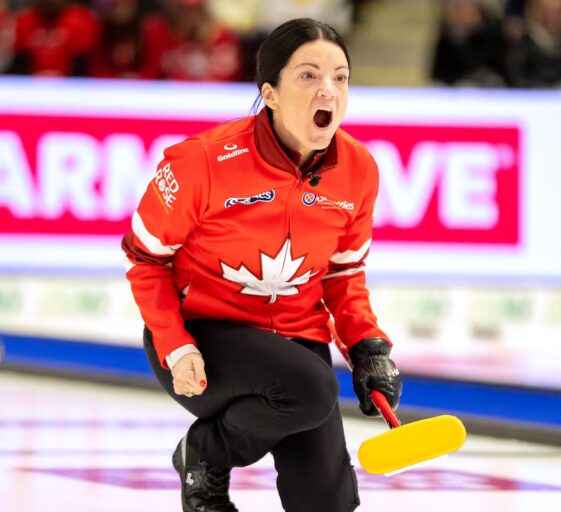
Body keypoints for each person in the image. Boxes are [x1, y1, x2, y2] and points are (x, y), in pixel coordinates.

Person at [121, 18, 402, 512]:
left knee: (326, 502)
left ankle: (217, 454)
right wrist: (175, 344)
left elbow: (343, 274)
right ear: (269, 93)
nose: (328, 91)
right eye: (309, 76)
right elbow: (146, 260)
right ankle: (204, 455)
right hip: (204, 341)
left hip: (295, 342)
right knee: (312, 387)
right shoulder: (202, 162)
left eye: (340, 77)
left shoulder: (359, 169)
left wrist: (367, 347)